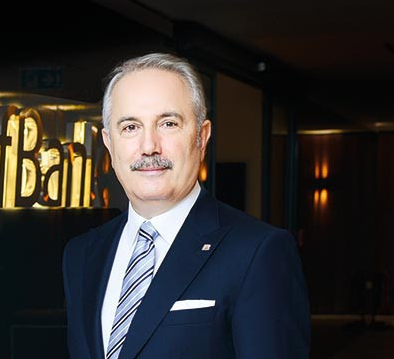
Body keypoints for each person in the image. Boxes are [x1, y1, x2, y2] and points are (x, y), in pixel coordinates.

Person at [62, 53, 310, 358]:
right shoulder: (82, 255)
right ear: (109, 143)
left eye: (168, 123)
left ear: (201, 137)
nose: (149, 146)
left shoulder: (258, 252)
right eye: (130, 127)